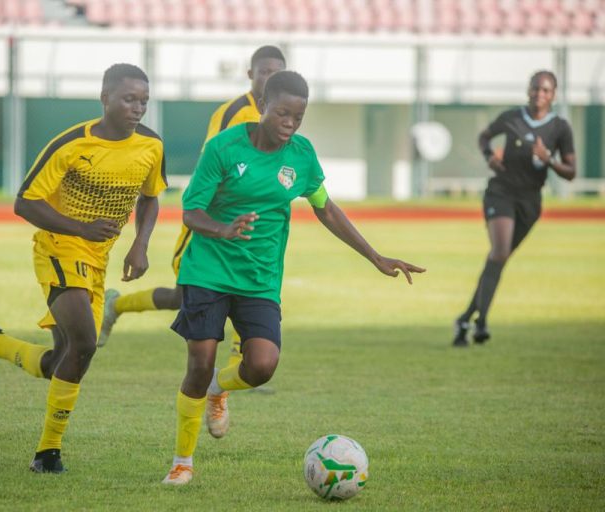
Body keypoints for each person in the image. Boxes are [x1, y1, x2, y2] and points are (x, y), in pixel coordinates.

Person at [161, 71, 425, 485]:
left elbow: (326, 208)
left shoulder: (301, 155)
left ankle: (219, 388)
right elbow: (191, 212)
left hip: (260, 279)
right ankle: (183, 461)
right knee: (199, 362)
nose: (289, 123)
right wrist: (223, 229)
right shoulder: (224, 148)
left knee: (263, 365)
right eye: (282, 113)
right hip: (208, 271)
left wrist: (374, 255)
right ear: (263, 104)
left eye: (298, 117)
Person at [0, 63, 166, 473]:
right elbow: (25, 202)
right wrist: (81, 226)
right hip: (58, 247)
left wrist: (139, 243)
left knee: (63, 360)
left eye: (143, 101)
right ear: (105, 99)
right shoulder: (69, 144)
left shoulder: (151, 146)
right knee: (85, 342)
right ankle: (47, 453)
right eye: (128, 99)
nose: (137, 108)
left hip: (98, 260)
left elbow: (151, 196)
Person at [98, 45, 287, 364]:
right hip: (211, 223)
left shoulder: (279, 114)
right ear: (251, 74)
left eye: (277, 73)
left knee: (246, 288)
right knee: (186, 295)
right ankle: (115, 306)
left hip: (249, 223)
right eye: (265, 72)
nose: (271, 79)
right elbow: (214, 163)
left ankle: (238, 371)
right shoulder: (234, 112)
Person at [452, 70, 576, 347]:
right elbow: (484, 137)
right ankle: (481, 322)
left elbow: (571, 172)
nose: (539, 94)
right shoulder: (512, 118)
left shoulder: (560, 128)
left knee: (498, 259)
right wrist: (489, 158)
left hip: (530, 202)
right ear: (528, 90)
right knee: (499, 251)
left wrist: (549, 160)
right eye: (535, 89)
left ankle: (464, 319)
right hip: (501, 193)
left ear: (553, 95)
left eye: (545, 90)